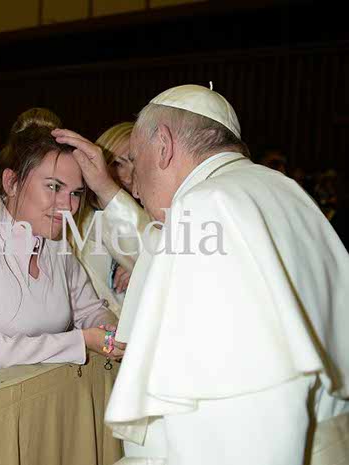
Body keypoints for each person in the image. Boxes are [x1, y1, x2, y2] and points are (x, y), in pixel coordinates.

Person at [55, 84, 349, 464]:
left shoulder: (207, 204)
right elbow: (159, 251)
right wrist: (108, 190)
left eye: (136, 162)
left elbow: (246, 408)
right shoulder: (276, 188)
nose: (136, 188)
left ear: (164, 145)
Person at [0, 122, 122, 372]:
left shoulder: (57, 243)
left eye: (76, 193)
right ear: (11, 182)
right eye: (54, 187)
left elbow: (89, 309)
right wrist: (80, 341)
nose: (69, 206)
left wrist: (110, 332)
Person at [73, 122, 150, 317]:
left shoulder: (161, 222)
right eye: (117, 164)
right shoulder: (73, 222)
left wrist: (143, 275)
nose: (129, 178)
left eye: (138, 166)